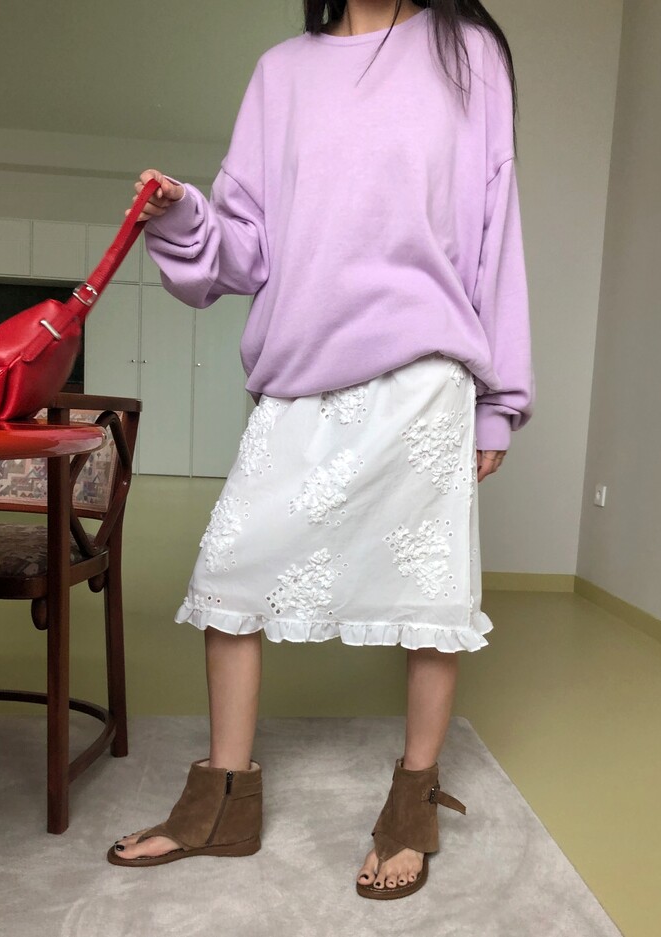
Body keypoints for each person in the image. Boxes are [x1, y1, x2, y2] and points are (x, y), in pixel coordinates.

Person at [107, 0, 535, 901]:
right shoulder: (282, 73)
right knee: (230, 575)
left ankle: (413, 802)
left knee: (429, 600)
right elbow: (245, 246)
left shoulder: (468, 55)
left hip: (424, 377)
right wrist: (185, 213)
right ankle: (224, 800)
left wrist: (498, 404)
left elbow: (497, 232)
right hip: (300, 376)